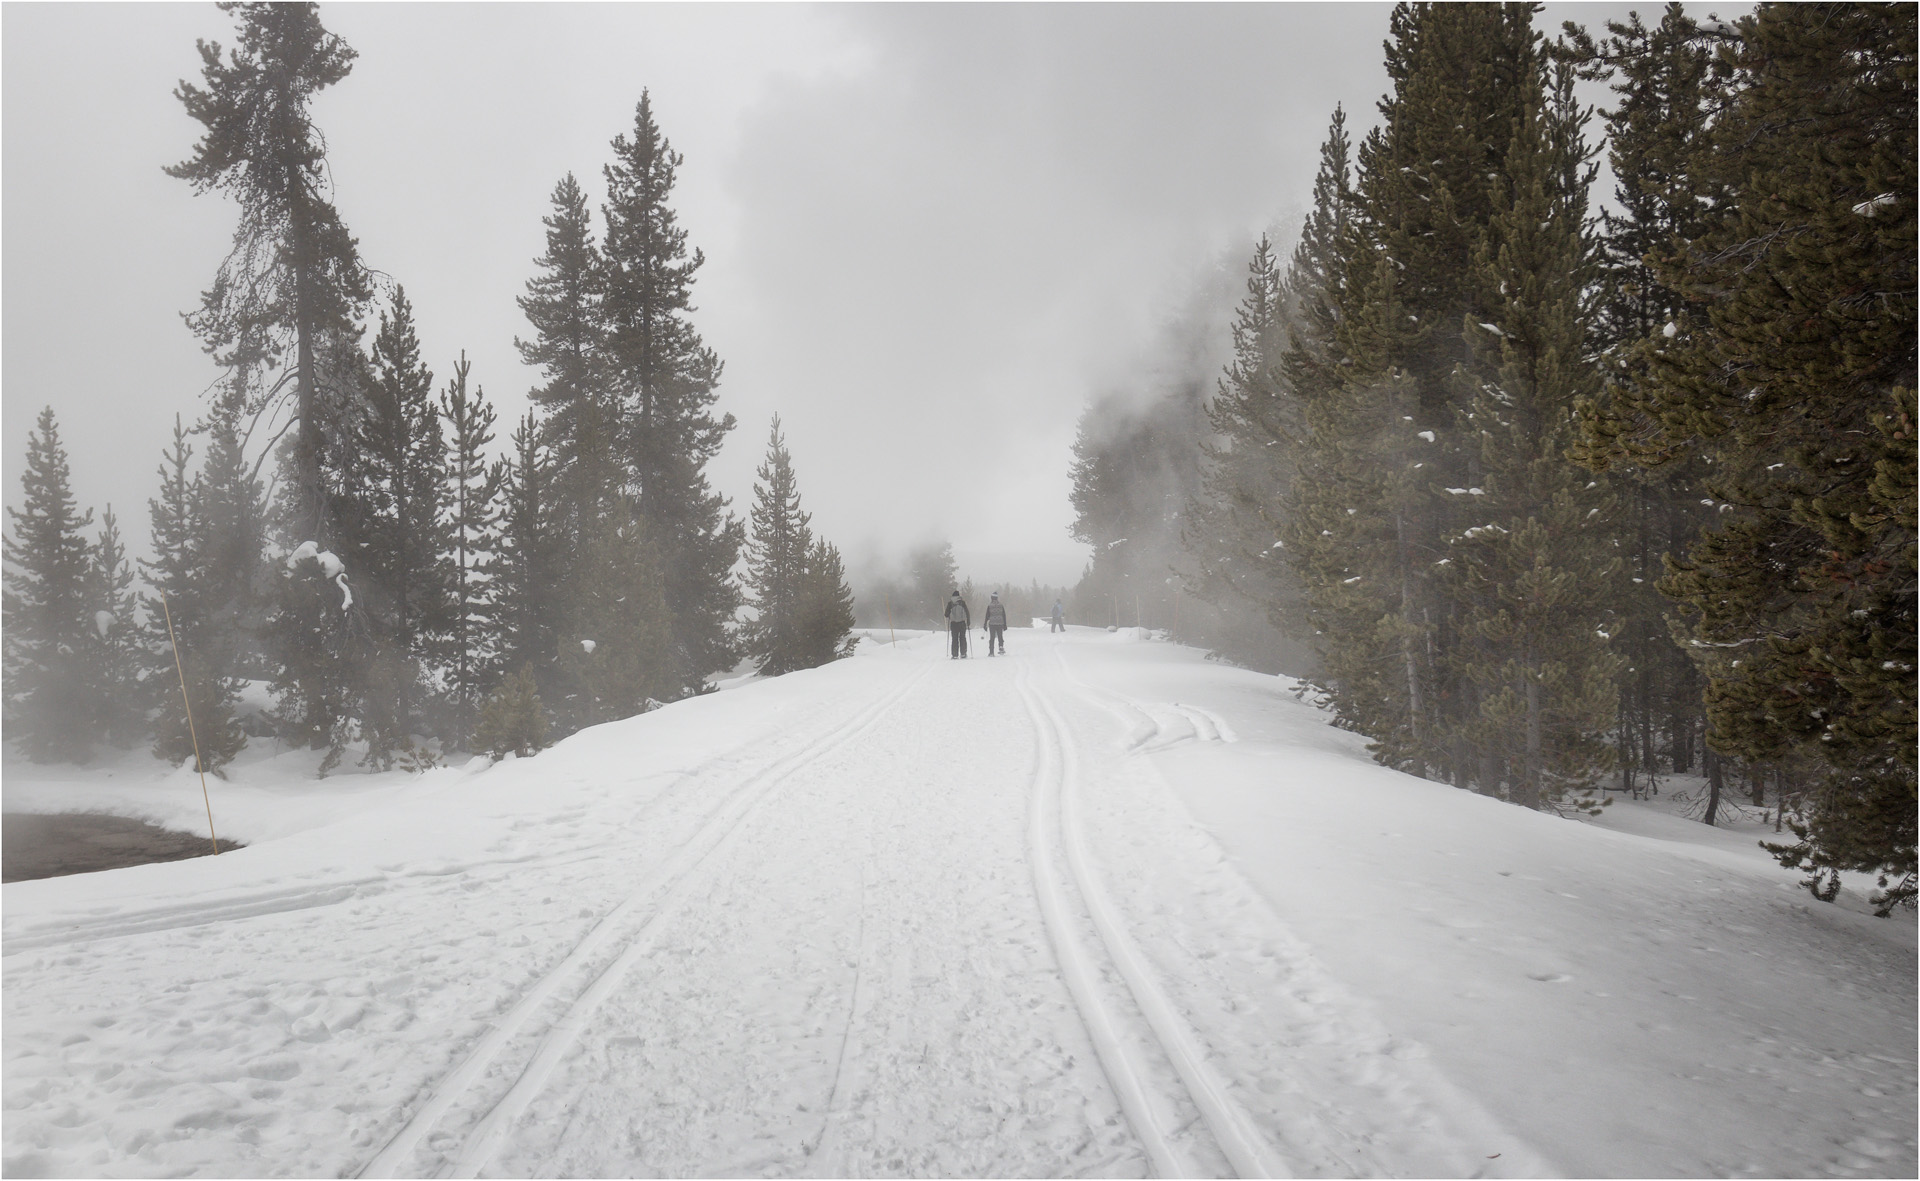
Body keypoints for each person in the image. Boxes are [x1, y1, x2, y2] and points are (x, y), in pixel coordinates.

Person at [945, 589, 971, 659]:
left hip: (953, 624)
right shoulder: (962, 603)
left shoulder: (950, 603)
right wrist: (968, 622)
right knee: (962, 638)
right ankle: (963, 653)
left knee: (954, 639)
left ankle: (954, 655)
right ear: (959, 596)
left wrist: (950, 614)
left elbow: (946, 614)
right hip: (962, 623)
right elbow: (967, 612)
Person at [983, 591, 1008, 655]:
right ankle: (1001, 647)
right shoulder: (1001, 605)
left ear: (992, 598)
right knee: (1000, 636)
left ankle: (991, 652)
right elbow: (1004, 615)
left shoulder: (989, 605)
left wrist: (985, 624)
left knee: (992, 637)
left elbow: (987, 616)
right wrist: (1005, 625)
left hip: (992, 624)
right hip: (1000, 623)